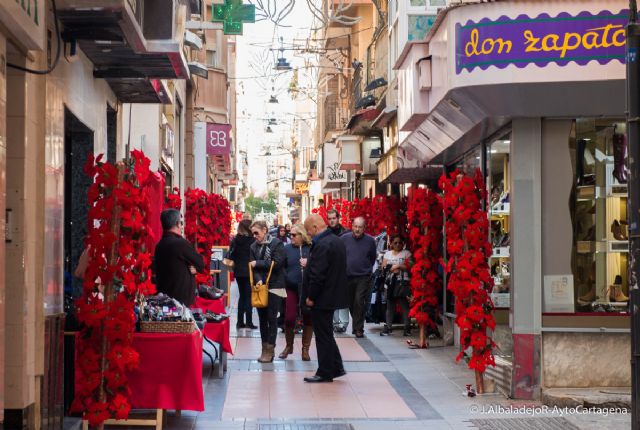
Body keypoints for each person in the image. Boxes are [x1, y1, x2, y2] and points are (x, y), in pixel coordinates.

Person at [302, 214, 348, 382]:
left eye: (308, 230)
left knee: (323, 335)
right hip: (332, 294)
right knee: (326, 333)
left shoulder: (322, 244)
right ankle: (336, 367)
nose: (308, 234)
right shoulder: (336, 240)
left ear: (315, 227)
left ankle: (325, 371)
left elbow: (318, 275)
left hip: (322, 297)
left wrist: (311, 296)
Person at [249, 220, 286, 363]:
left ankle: (270, 350)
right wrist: (258, 279)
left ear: (264, 230)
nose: (254, 236)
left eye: (256, 233)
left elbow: (277, 263)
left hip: (275, 285)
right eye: (253, 233)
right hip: (261, 286)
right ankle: (264, 349)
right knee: (262, 319)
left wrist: (258, 263)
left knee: (272, 318)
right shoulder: (253, 246)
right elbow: (253, 267)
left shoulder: (276, 243)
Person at [153, 209, 205, 307]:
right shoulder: (180, 244)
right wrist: (193, 267)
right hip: (180, 300)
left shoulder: (159, 245)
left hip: (164, 297)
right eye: (181, 223)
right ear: (177, 224)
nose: (181, 226)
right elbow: (200, 263)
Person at [279, 223, 313, 360]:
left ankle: (305, 349)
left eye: (294, 235)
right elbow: (281, 267)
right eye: (290, 234)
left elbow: (318, 265)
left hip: (307, 288)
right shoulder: (286, 249)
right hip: (291, 287)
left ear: (302, 235)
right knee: (289, 317)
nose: (291, 237)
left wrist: (308, 263)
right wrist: (286, 278)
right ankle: (289, 346)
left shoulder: (310, 248)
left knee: (308, 317)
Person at [340, 217, 377, 338]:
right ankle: (356, 326)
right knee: (350, 302)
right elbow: (339, 254)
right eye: (355, 226)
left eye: (360, 227)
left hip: (363, 276)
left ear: (364, 228)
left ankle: (358, 328)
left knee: (359, 301)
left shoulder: (370, 240)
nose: (357, 229)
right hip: (348, 276)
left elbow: (372, 257)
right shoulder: (344, 239)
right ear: (352, 226)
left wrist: (366, 269)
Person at [380, 235, 412, 336]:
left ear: (403, 244)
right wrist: (392, 268)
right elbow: (383, 267)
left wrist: (398, 266)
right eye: (395, 243)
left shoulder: (406, 253)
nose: (398, 245)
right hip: (390, 283)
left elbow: (410, 266)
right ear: (392, 244)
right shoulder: (387, 254)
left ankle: (407, 328)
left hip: (402, 283)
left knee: (404, 305)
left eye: (400, 243)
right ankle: (388, 327)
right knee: (390, 306)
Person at [229, 219, 257, 330]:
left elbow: (232, 255)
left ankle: (239, 322)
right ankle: (249, 322)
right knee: (249, 297)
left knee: (242, 296)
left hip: (239, 271)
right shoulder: (252, 241)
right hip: (249, 271)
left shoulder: (235, 240)